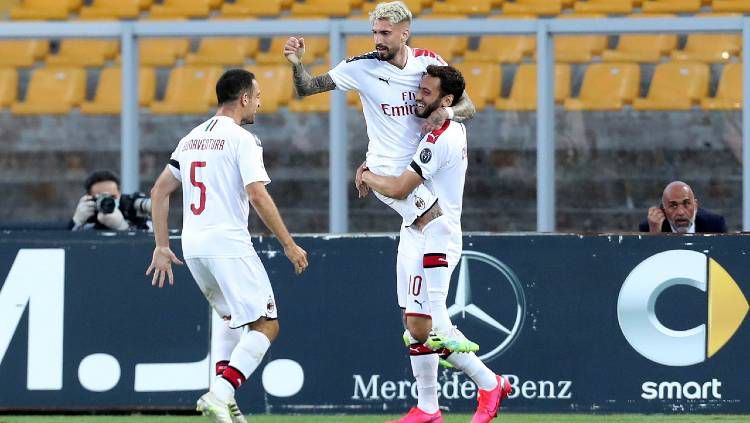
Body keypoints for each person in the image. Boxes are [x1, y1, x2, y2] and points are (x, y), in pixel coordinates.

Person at [146, 69, 308, 423]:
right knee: (267, 324)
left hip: (193, 245)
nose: (261, 103)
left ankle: (228, 404)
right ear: (244, 98)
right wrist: (288, 243)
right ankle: (221, 392)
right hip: (227, 242)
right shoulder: (241, 139)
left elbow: (159, 191)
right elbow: (256, 194)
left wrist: (161, 245)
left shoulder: (190, 138)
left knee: (231, 319)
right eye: (258, 95)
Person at [361, 65, 510, 423]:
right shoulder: (440, 127)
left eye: (426, 93)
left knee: (438, 328)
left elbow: (399, 188)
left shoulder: (440, 138)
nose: (417, 96)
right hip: (414, 231)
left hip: (438, 234)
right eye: (419, 89)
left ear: (445, 100)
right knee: (415, 324)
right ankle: (428, 407)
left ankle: (490, 383)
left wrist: (367, 175)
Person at [68, 169, 150, 231]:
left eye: (112, 197)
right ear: (89, 198)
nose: (107, 202)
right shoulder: (86, 225)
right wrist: (76, 221)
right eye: (101, 197)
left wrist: (122, 226)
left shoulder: (132, 215)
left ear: (119, 194)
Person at [639, 181, 727, 233]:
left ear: (695, 205)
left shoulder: (715, 225)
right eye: (673, 205)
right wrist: (655, 235)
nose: (680, 212)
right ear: (663, 210)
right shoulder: (649, 228)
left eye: (686, 203)